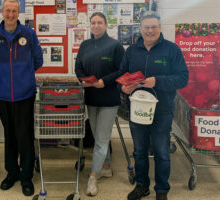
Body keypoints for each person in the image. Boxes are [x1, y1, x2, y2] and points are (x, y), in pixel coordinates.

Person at [119, 11, 189, 200]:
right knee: (140, 151)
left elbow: (183, 78)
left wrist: (157, 81)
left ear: (160, 28)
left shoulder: (172, 50)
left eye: (154, 27)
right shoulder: (132, 51)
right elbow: (122, 74)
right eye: (146, 27)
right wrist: (124, 87)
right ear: (140, 29)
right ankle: (142, 186)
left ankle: (162, 190)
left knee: (161, 151)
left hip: (162, 110)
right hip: (138, 110)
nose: (150, 31)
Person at [0, 0, 43, 196]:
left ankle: (26, 176)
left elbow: (39, 60)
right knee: (9, 136)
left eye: (14, 10)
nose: (10, 14)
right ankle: (12, 173)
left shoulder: (29, 34)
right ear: (2, 11)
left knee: (25, 136)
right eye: (7, 10)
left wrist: (24, 75)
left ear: (19, 12)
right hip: (2, 95)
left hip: (25, 95)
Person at [75, 12, 125, 196]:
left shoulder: (115, 46)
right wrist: (83, 80)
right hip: (91, 98)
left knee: (102, 140)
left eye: (100, 22)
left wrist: (105, 81)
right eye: (93, 22)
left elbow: (122, 70)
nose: (96, 25)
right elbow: (78, 67)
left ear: (106, 25)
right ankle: (105, 166)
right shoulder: (85, 45)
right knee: (98, 138)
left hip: (109, 99)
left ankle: (93, 178)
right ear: (90, 25)